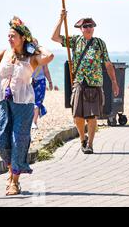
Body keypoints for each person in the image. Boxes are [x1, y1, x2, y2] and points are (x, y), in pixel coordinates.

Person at [0, 16, 54, 196]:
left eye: (13, 35)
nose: (9, 38)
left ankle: (14, 181)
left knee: (18, 141)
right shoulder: (4, 53)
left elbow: (49, 56)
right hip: (1, 102)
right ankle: (12, 168)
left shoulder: (33, 57)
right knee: (1, 141)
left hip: (24, 103)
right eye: (8, 35)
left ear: (23, 38)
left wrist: (35, 45)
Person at [51, 11, 119, 154]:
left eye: (90, 26)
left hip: (94, 83)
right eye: (85, 26)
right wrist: (61, 19)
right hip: (79, 83)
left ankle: (90, 144)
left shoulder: (99, 43)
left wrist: (114, 81)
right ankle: (82, 139)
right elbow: (55, 37)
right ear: (80, 29)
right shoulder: (76, 41)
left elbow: (107, 63)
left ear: (93, 28)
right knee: (77, 116)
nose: (88, 28)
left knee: (92, 117)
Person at [31, 43, 54, 130]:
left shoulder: (42, 58)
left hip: (39, 81)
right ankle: (32, 121)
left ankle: (34, 121)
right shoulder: (28, 57)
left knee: (36, 102)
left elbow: (46, 70)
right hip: (31, 81)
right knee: (32, 102)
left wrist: (50, 81)